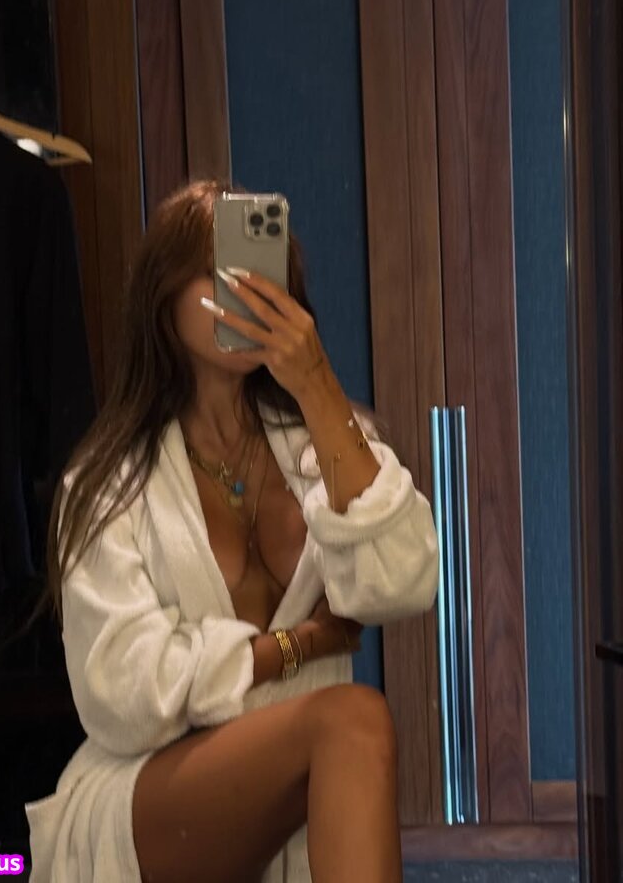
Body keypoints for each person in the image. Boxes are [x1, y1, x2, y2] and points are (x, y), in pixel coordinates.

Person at [24, 179, 439, 883]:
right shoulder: (108, 484)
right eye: (220, 271)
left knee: (348, 726)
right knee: (353, 718)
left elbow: (404, 582)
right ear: (163, 297)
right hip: (154, 797)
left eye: (263, 269)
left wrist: (316, 384)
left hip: (302, 791)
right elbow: (123, 696)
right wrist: (294, 646)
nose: (248, 290)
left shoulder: (326, 447)